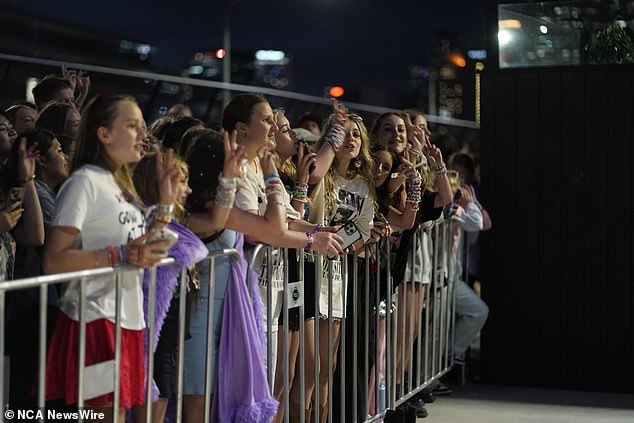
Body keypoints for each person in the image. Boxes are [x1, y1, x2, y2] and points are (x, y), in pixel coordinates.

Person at [42, 93, 181, 421]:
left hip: (128, 317)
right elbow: (55, 260)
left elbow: (138, 247)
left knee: (117, 414)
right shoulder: (84, 182)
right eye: (131, 126)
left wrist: (165, 206)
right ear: (104, 135)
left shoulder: (119, 184)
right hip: (95, 318)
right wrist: (120, 254)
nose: (142, 135)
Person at [5, 129, 64, 409]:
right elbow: (41, 238)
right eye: (59, 149)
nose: (65, 156)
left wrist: (27, 178)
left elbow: (34, 235)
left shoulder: (21, 188)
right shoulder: (27, 189)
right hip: (22, 305)